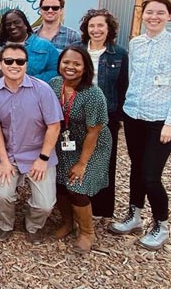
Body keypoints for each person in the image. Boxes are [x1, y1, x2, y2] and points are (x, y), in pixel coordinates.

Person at [0, 43, 62, 244]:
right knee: (2, 194)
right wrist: (4, 161)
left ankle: (33, 225)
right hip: (9, 153)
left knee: (45, 204)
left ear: (26, 64)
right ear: (0, 64)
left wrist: (43, 159)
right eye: (9, 61)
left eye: (20, 61)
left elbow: (54, 126)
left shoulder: (42, 90)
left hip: (38, 153)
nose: (14, 65)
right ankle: (5, 225)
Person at [110, 0, 171, 250]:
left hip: (160, 120)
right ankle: (134, 214)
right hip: (134, 115)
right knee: (136, 168)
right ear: (142, 15)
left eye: (160, 12)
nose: (153, 17)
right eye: (149, 12)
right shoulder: (135, 44)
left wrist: (170, 123)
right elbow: (132, 79)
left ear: (169, 16)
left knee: (151, 176)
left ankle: (161, 224)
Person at [49, 46, 111, 253]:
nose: (70, 67)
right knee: (59, 184)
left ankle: (87, 232)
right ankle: (67, 223)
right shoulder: (54, 84)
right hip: (65, 142)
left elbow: (94, 132)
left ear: (85, 68)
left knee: (76, 187)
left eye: (77, 64)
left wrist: (82, 163)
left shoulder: (93, 94)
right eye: (66, 62)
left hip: (91, 145)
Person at [76, 9, 128, 218]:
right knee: (77, 157)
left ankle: (102, 208)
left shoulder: (120, 54)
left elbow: (123, 86)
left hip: (107, 115)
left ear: (109, 29)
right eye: (92, 26)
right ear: (86, 29)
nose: (96, 30)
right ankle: (78, 202)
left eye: (100, 26)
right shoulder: (78, 51)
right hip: (78, 113)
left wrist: (119, 117)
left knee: (104, 161)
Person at [0, 9, 59, 82]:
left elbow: (55, 70)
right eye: (8, 24)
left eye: (16, 22)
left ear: (25, 24)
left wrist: (29, 81)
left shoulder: (45, 46)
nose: (12, 26)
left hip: (36, 91)